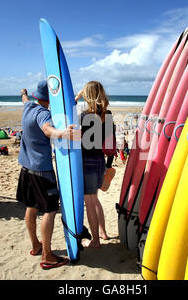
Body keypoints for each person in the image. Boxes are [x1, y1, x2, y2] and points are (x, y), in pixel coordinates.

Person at [17, 81, 78, 270]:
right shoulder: (44, 114)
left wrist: (24, 92)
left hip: (25, 167)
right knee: (50, 211)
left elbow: (24, 98)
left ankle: (36, 245)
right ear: (50, 98)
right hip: (41, 171)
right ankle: (47, 255)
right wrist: (62, 133)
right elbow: (46, 129)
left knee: (31, 206)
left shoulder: (28, 106)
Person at [75, 81, 115, 248]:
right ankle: (103, 232)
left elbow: (66, 107)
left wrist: (76, 97)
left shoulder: (85, 117)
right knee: (95, 199)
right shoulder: (108, 114)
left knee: (90, 201)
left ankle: (96, 241)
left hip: (87, 161)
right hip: (100, 160)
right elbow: (109, 142)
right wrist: (108, 164)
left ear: (87, 96)